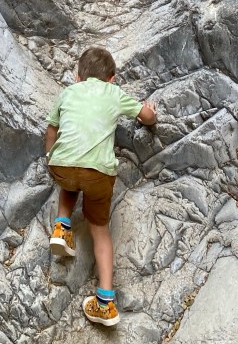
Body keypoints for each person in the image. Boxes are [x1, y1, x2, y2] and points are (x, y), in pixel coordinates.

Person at [45, 46, 157, 327]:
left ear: (77, 77)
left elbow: (51, 128)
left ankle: (62, 226)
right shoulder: (114, 93)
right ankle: (105, 303)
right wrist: (150, 113)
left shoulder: (68, 92)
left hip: (61, 166)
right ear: (111, 79)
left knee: (70, 180)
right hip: (98, 174)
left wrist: (49, 157)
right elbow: (145, 116)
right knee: (100, 231)